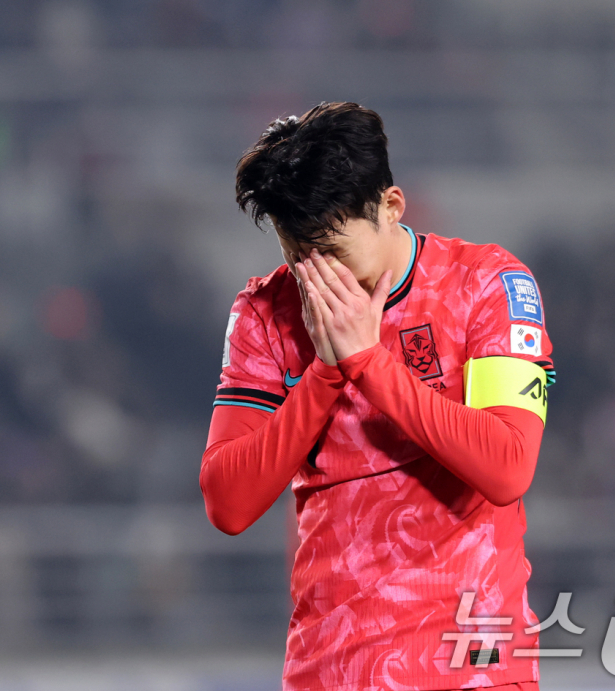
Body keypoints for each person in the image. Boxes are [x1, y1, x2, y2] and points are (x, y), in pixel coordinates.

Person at [199, 101, 555, 691]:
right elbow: (228, 504)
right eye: (299, 257)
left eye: (335, 254)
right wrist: (325, 373)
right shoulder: (265, 312)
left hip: (473, 669)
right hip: (330, 670)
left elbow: (508, 466)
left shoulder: (488, 285)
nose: (322, 279)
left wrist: (369, 363)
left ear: (391, 207)